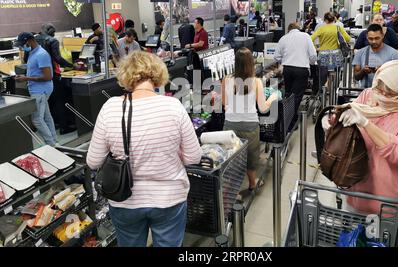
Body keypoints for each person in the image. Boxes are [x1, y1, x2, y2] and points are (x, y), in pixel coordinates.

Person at [86, 51, 202, 247]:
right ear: (158, 74)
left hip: (124, 199)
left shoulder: (110, 108)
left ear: (126, 76)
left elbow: (93, 161)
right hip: (169, 198)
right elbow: (193, 157)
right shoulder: (173, 106)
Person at [325, 60, 398, 227]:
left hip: (394, 208)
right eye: (379, 88)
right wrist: (334, 125)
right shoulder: (369, 95)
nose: (381, 95)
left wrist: (366, 124)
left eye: (389, 92)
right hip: (357, 197)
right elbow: (349, 131)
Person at [222, 48, 278, 192]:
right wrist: (272, 98)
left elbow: (224, 103)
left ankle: (230, 190)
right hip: (250, 126)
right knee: (251, 156)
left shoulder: (227, 80)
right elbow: (263, 108)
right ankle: (253, 183)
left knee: (231, 156)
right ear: (251, 64)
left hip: (230, 124)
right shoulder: (256, 82)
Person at [14, 32, 57, 146]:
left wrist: (26, 78)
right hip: (38, 89)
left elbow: (48, 77)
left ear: (29, 41)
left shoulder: (41, 54)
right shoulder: (33, 53)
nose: (22, 47)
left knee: (37, 119)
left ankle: (51, 144)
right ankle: (54, 141)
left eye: (22, 44)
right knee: (46, 116)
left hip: (40, 90)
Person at [35, 24, 76, 135]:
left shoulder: (35, 39)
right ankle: (64, 127)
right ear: (51, 32)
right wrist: (72, 66)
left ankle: (55, 124)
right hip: (52, 75)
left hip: (39, 76)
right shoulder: (52, 41)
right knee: (60, 100)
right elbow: (57, 58)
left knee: (50, 101)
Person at [274, 22, 317, 127]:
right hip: (301, 70)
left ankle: (289, 118)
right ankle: (290, 121)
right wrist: (311, 63)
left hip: (287, 69)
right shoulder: (306, 36)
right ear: (299, 29)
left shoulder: (283, 38)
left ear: (289, 30)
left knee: (288, 94)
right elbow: (313, 55)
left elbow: (276, 57)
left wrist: (284, 60)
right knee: (297, 96)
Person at [353, 24, 398, 88]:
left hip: (386, 94)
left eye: (377, 38)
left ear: (382, 36)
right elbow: (356, 77)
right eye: (371, 39)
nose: (374, 41)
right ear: (367, 37)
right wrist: (363, 71)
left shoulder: (394, 54)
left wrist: (383, 71)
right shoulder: (360, 53)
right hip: (366, 93)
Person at [310, 12, 351, 87]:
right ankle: (332, 90)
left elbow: (311, 39)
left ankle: (323, 92)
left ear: (325, 20)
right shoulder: (338, 28)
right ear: (334, 19)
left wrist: (316, 48)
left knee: (322, 77)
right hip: (336, 54)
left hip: (323, 54)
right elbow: (348, 39)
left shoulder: (321, 28)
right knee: (334, 75)